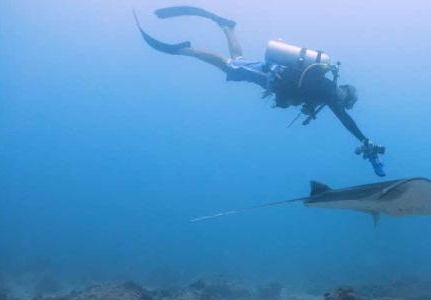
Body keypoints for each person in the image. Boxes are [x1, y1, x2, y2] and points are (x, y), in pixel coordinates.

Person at [134, 6, 386, 176]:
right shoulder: (329, 91)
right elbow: (345, 120)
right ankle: (185, 49)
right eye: (346, 100)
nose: (343, 103)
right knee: (230, 66)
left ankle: (228, 27)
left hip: (270, 78)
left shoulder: (325, 90)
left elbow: (323, 105)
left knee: (237, 61)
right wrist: (364, 139)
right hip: (270, 75)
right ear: (345, 92)